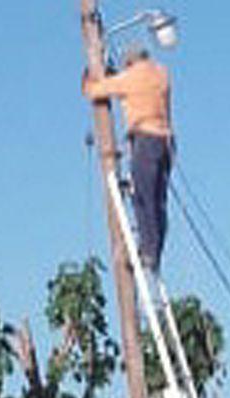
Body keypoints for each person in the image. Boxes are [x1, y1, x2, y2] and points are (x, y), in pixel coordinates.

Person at [83, 45, 173, 272]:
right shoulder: (161, 74)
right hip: (166, 142)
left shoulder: (130, 78)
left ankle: (148, 253)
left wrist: (89, 75)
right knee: (158, 202)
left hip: (145, 140)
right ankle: (155, 251)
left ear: (129, 62)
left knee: (143, 199)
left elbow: (94, 91)